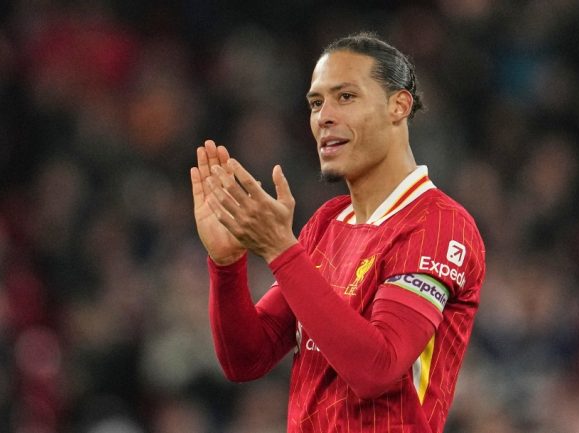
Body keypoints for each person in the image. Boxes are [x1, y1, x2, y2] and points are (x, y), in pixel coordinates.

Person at [190, 32, 486, 433]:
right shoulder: (327, 223)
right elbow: (247, 359)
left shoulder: (438, 226)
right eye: (316, 103)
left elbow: (376, 370)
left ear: (398, 105)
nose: (324, 116)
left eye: (346, 97)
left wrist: (280, 249)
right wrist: (227, 266)